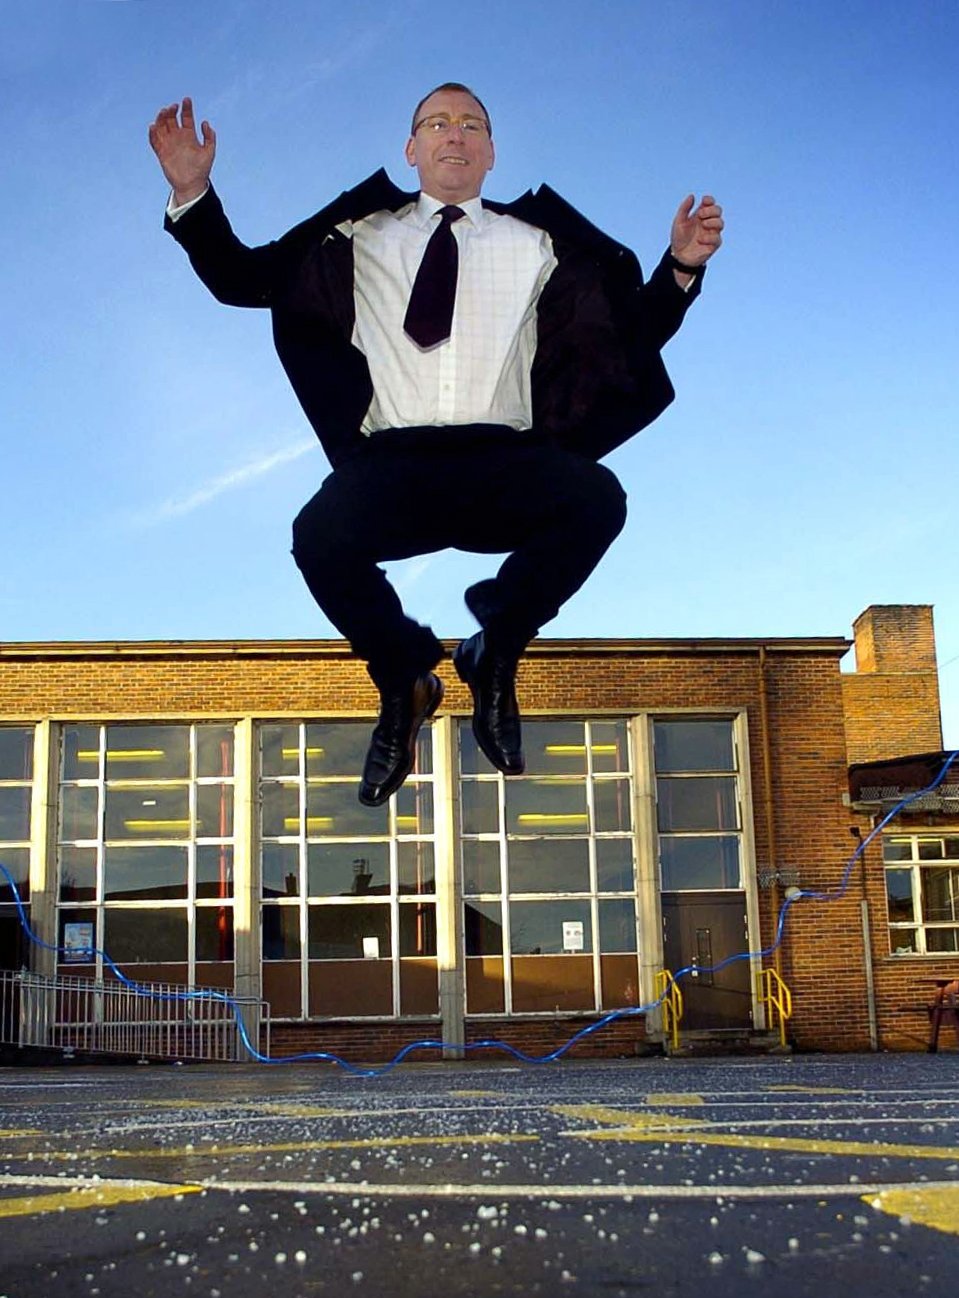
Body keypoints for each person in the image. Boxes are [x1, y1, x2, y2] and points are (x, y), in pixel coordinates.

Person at [149, 83, 723, 807]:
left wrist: (680, 269)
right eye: (436, 123)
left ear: (488, 152)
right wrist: (193, 191)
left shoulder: (540, 241)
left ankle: (496, 649)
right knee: (319, 536)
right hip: (393, 461)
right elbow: (241, 279)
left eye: (471, 125)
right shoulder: (357, 233)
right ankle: (403, 680)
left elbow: (628, 338)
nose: (454, 134)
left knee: (595, 499)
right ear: (411, 149)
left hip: (504, 457)